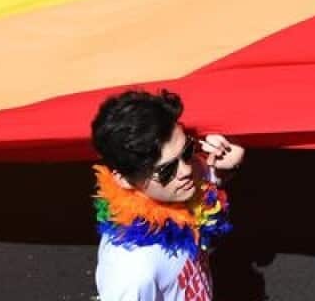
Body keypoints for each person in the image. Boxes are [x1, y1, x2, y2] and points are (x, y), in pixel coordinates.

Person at [92, 90, 243, 301]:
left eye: (188, 150)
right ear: (124, 180)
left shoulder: (178, 184)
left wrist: (231, 159)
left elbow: (210, 173)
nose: (187, 171)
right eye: (166, 170)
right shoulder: (132, 270)